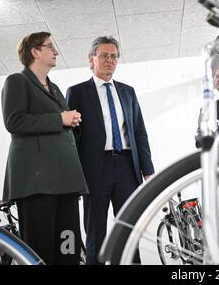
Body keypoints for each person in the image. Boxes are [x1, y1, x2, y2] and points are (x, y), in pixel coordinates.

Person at [1, 31, 88, 264]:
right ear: (35, 52)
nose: (56, 51)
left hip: (65, 182)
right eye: (50, 47)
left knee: (68, 245)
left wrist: (72, 120)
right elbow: (14, 121)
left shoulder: (55, 87)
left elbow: (61, 121)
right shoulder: (17, 82)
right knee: (40, 250)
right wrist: (60, 119)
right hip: (36, 182)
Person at [66, 36, 154, 265]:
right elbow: (72, 138)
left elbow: (139, 132)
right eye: (104, 55)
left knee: (130, 228)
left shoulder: (128, 92)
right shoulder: (77, 92)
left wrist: (148, 170)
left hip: (127, 167)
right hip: (95, 169)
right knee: (95, 231)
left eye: (114, 56)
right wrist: (74, 177)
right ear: (91, 59)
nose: (110, 60)